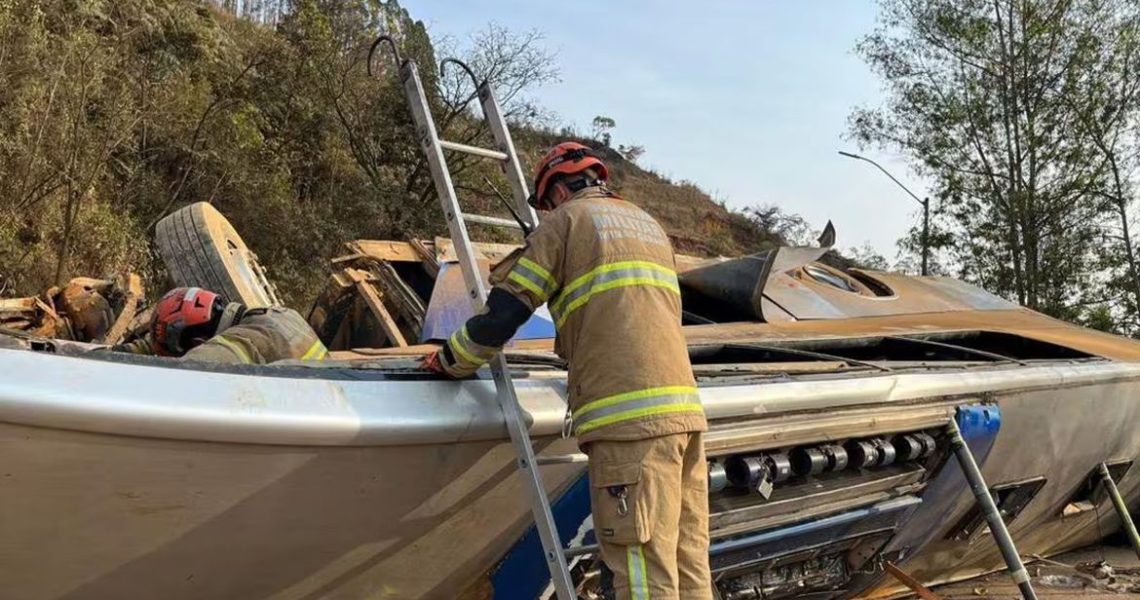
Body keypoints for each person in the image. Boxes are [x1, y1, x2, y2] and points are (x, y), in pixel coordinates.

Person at [423, 142, 712, 599]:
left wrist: (450, 358)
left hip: (629, 427)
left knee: (641, 574)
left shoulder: (565, 223)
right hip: (686, 418)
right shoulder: (649, 226)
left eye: (544, 205)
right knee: (686, 562)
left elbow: (503, 315)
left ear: (556, 190)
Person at [115, 287, 328, 364]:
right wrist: (138, 347)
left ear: (198, 342)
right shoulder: (277, 315)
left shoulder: (231, 347)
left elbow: (176, 379)